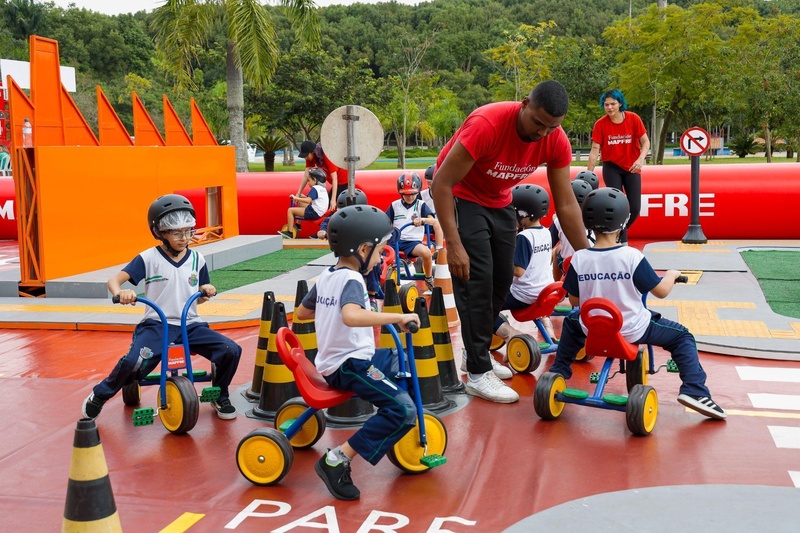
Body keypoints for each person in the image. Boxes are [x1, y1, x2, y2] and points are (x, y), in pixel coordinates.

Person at [431, 80, 590, 404]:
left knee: (502, 281)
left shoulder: (555, 141)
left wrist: (589, 256)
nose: (542, 134)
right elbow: (442, 183)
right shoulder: (487, 125)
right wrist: (454, 243)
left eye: (551, 127)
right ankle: (477, 373)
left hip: (499, 201)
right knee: (477, 280)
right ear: (525, 103)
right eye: (538, 123)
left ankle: (473, 355)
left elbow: (566, 202)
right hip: (461, 195)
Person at [548, 188, 726, 420]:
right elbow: (660, 292)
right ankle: (695, 390)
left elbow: (575, 300)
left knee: (572, 322)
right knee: (682, 337)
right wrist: (671, 275)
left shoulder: (580, 258)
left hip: (591, 327)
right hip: (632, 328)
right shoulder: (632, 257)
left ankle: (558, 371)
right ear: (623, 222)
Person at [294, 204, 421, 500]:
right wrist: (398, 317)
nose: (379, 259)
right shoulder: (351, 279)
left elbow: (301, 313)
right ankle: (337, 459)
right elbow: (351, 316)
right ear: (363, 248)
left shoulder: (328, 275)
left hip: (340, 360)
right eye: (379, 252)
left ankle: (393, 423)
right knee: (404, 410)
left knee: (396, 363)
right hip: (350, 365)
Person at [81, 194, 242, 420]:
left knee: (230, 350)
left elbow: (200, 295)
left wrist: (206, 291)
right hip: (157, 324)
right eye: (176, 233)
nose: (184, 238)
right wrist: (121, 293)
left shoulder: (197, 259)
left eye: (188, 232)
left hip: (190, 324)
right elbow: (113, 281)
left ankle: (220, 394)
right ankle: (101, 394)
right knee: (133, 362)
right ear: (159, 233)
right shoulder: (148, 258)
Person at [490, 184, 556, 347]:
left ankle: (512, 335)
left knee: (481, 306)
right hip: (544, 291)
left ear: (524, 215)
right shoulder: (546, 232)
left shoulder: (525, 237)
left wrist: (496, 265)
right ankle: (547, 329)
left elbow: (518, 271)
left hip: (524, 295)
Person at [587, 89, 650, 243]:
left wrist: (641, 159)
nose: (609, 107)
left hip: (632, 167)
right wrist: (588, 174)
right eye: (606, 104)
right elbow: (595, 150)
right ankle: (622, 241)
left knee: (635, 208)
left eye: (613, 104)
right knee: (617, 205)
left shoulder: (633, 119)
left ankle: (617, 233)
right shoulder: (600, 124)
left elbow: (645, 142)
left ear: (620, 104)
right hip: (611, 167)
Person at [386, 171, 442, 292]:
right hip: (395, 239)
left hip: (412, 242)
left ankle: (428, 277)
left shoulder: (421, 205)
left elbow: (433, 221)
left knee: (426, 253)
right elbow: (385, 222)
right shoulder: (394, 205)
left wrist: (422, 220)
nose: (410, 197)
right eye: (406, 194)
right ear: (401, 193)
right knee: (378, 252)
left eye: (413, 194)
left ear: (418, 192)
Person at [550, 178, 594, 280]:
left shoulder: (560, 220)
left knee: (557, 250)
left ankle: (558, 284)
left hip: (568, 265)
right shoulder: (597, 219)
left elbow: (549, 242)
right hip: (593, 266)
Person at [296, 140, 348, 212]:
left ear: (312, 152)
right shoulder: (310, 158)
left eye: (306, 156)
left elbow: (335, 178)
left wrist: (333, 200)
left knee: (331, 205)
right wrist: (298, 193)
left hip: (343, 179)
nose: (306, 158)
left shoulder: (326, 156)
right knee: (327, 204)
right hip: (334, 182)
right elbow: (306, 176)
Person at [281, 168, 329, 239]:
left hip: (314, 212)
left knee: (290, 210)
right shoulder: (322, 189)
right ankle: (298, 225)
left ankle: (289, 233)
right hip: (320, 211)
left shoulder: (315, 188)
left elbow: (308, 201)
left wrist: (295, 198)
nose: (308, 183)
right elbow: (315, 199)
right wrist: (304, 196)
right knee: (300, 203)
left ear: (315, 180)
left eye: (309, 181)